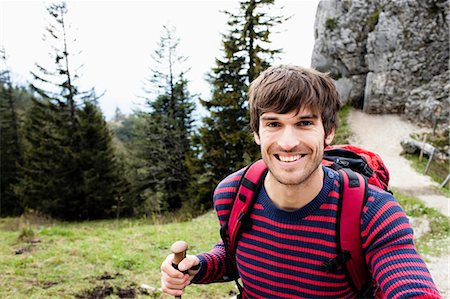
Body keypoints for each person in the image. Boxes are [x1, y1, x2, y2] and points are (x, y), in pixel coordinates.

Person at [160, 65, 442, 298]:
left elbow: (409, 282)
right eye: (273, 124)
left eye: (305, 123)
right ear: (257, 133)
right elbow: (236, 256)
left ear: (328, 132)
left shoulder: (372, 210)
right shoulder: (233, 194)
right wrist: (199, 267)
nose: (288, 142)